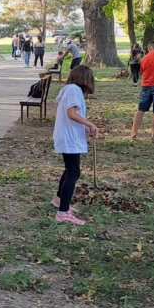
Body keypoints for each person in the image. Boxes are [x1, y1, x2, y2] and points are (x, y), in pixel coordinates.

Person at [51, 65, 98, 225]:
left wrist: (87, 127)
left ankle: (59, 199)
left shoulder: (70, 89)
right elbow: (71, 114)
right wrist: (91, 124)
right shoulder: (74, 90)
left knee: (70, 169)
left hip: (68, 136)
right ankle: (62, 212)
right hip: (69, 138)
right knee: (73, 172)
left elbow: (75, 114)